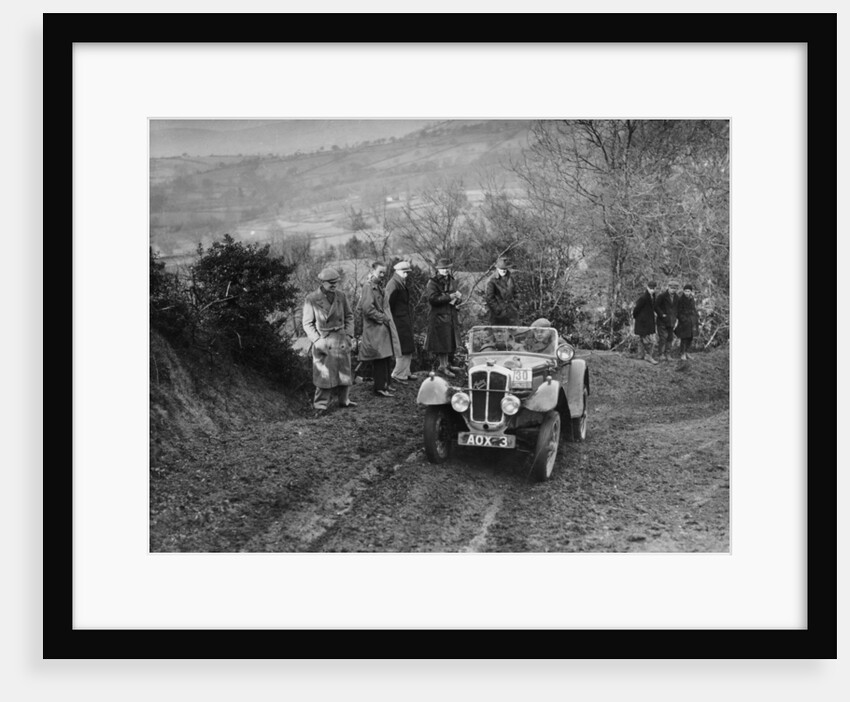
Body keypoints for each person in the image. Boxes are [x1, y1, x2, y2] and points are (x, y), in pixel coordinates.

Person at [301, 267, 357, 417]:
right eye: (330, 282)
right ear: (322, 282)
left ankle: (344, 401)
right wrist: (318, 341)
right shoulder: (311, 299)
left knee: (344, 372)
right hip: (324, 341)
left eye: (336, 282)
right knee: (324, 376)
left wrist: (349, 336)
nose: (334, 285)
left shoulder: (341, 296)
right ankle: (320, 406)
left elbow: (349, 316)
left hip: (341, 340)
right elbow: (307, 324)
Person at [358, 261, 400, 397]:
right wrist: (382, 318)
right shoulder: (368, 287)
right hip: (375, 329)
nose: (382, 275)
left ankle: (387, 384)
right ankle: (379, 388)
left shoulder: (379, 287)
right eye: (380, 272)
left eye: (384, 272)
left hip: (382, 328)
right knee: (380, 358)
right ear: (373, 271)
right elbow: (367, 309)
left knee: (386, 356)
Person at [424, 257, 463, 378]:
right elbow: (432, 299)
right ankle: (442, 366)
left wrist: (458, 299)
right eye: (443, 269)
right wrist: (449, 297)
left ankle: (447, 364)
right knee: (442, 342)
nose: (445, 270)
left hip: (450, 314)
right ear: (438, 269)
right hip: (438, 317)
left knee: (449, 341)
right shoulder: (433, 282)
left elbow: (454, 296)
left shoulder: (451, 280)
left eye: (447, 268)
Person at [385, 259, 415, 381]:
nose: (406, 274)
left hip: (404, 320)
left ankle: (406, 372)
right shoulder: (393, 284)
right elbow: (387, 305)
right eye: (404, 272)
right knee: (402, 348)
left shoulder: (400, 283)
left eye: (407, 272)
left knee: (408, 347)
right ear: (397, 271)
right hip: (397, 321)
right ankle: (398, 374)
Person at [485, 256, 518, 325]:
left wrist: (516, 305)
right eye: (501, 269)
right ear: (497, 268)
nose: (504, 271)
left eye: (505, 269)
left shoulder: (511, 278)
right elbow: (490, 298)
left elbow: (516, 292)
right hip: (498, 315)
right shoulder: (491, 280)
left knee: (514, 333)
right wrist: (498, 310)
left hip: (512, 312)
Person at [632, 280, 659, 365]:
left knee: (642, 339)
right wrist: (639, 318)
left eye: (653, 288)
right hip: (642, 322)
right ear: (647, 288)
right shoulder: (643, 298)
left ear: (655, 288)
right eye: (650, 288)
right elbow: (636, 310)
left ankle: (641, 355)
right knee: (648, 340)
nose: (652, 290)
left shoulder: (653, 296)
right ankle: (648, 356)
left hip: (649, 321)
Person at [654, 279, 680, 361]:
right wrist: (662, 314)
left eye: (675, 288)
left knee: (670, 338)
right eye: (672, 288)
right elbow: (656, 306)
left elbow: (677, 309)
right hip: (662, 321)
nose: (673, 290)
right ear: (668, 287)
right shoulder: (662, 296)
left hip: (672, 321)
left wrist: (677, 317)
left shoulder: (677, 297)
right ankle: (661, 354)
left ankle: (668, 354)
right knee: (663, 337)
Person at [674, 283, 700, 360]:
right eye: (685, 291)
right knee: (684, 338)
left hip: (692, 321)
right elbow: (678, 312)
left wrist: (696, 317)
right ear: (683, 291)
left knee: (690, 337)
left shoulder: (692, 299)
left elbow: (694, 309)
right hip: (684, 322)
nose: (687, 293)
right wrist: (683, 319)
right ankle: (682, 353)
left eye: (688, 291)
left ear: (691, 292)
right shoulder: (680, 299)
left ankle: (687, 352)